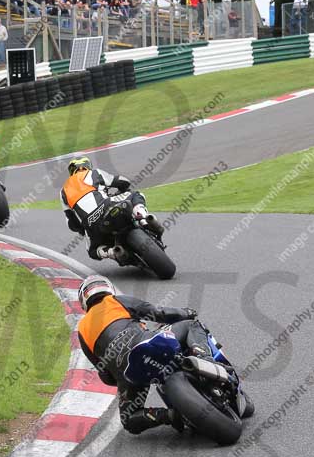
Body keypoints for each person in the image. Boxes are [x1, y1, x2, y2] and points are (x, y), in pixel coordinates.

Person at [77, 275, 217, 434]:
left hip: (128, 372)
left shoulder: (82, 329)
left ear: (84, 300)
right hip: (148, 344)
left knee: (129, 419)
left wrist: (123, 379)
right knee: (191, 325)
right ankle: (205, 358)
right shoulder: (115, 301)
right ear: (107, 288)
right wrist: (186, 312)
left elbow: (104, 374)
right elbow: (159, 313)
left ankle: (167, 415)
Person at [60, 157, 163, 261]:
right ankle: (145, 219)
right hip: (107, 206)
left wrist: (83, 230)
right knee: (135, 194)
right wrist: (123, 188)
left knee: (92, 251)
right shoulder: (95, 173)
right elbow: (121, 181)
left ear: (72, 171)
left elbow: (72, 223)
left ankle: (112, 252)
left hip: (90, 224)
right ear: (88, 166)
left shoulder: (63, 191)